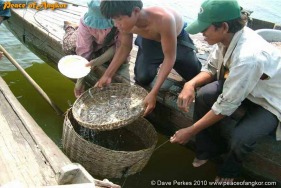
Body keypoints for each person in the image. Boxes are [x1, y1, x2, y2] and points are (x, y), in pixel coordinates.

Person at [170, 0, 281, 182]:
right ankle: (209, 149)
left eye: (205, 28)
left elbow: (226, 106)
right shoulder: (226, 38)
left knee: (242, 136)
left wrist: (190, 131)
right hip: (245, 87)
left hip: (269, 100)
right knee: (204, 94)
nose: (201, 33)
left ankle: (230, 170)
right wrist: (189, 84)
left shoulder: (249, 56)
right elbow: (212, 67)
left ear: (223, 26)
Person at [97, 0, 202, 116]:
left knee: (194, 74)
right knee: (142, 77)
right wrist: (107, 75)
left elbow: (169, 57)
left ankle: (188, 56)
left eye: (119, 19)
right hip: (151, 40)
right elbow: (125, 47)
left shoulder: (164, 19)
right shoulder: (126, 25)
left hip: (177, 39)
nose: (116, 24)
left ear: (136, 11)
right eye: (113, 19)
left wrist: (154, 93)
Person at [62, 0, 118, 98]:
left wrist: (99, 60)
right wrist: (80, 81)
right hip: (89, 38)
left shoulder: (118, 21)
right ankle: (70, 27)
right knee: (69, 47)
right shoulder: (86, 23)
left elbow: (121, 46)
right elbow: (84, 52)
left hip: (108, 44)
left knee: (111, 60)